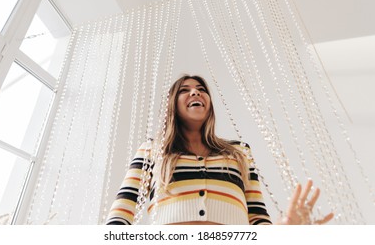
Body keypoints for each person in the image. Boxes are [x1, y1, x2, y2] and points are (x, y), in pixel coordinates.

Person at [105, 74, 334, 225]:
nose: (195, 92)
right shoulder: (152, 150)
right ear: (172, 105)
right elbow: (121, 214)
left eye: (201, 89)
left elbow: (256, 217)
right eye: (185, 90)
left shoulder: (239, 152)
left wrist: (286, 231)